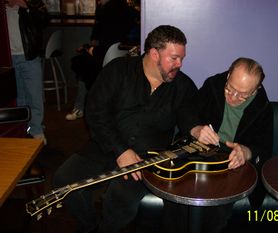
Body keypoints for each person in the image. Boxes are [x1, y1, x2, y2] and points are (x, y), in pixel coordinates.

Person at [53, 25, 214, 233]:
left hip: (147, 159)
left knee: (120, 198)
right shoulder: (118, 70)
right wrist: (120, 150)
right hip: (107, 144)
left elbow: (188, 114)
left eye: (182, 58)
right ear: (154, 53)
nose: (179, 64)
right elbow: (96, 113)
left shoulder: (182, 85)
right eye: (174, 58)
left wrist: (196, 129)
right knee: (63, 180)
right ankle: (89, 227)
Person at [179, 57, 273, 233]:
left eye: (243, 95)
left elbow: (265, 147)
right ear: (229, 75)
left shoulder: (263, 107)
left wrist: (246, 152)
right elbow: (186, 110)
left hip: (232, 164)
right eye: (230, 89)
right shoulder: (213, 85)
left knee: (218, 209)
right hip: (200, 153)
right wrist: (196, 129)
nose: (233, 97)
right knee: (179, 199)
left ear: (255, 90)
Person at [66, 0, 139, 121]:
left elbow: (105, 42)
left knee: (82, 65)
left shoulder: (107, 11)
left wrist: (89, 48)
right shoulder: (131, 11)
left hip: (107, 57)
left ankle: (80, 107)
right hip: (123, 56)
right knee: (85, 63)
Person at [5, 0, 48, 144]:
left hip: (29, 55)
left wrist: (27, 5)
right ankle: (22, 130)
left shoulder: (29, 5)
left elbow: (44, 19)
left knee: (34, 95)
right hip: (8, 57)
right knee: (18, 97)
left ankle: (36, 129)